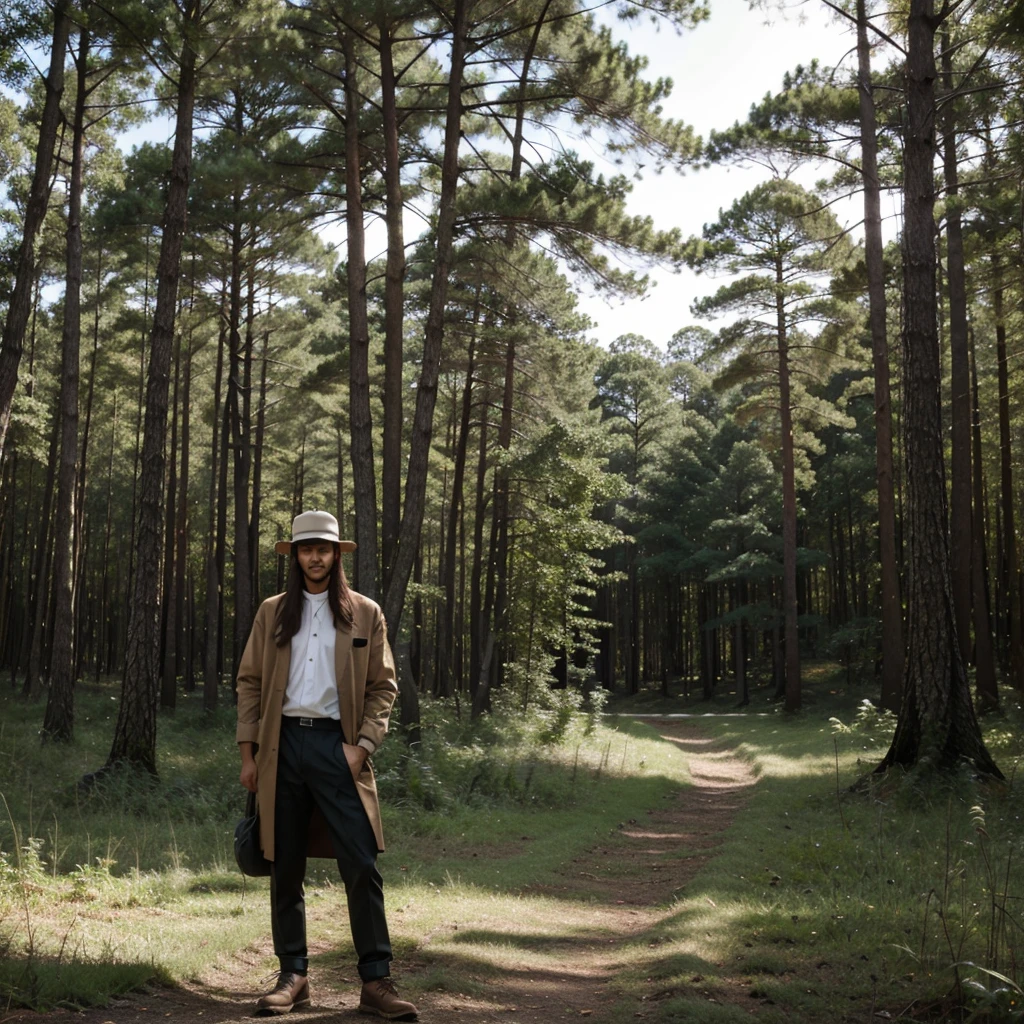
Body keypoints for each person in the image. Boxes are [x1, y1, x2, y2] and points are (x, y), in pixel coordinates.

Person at [236, 510, 417, 1020]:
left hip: (339, 750)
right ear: (293, 555)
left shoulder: (365, 612)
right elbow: (250, 682)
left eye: (324, 548)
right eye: (306, 548)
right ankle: (293, 976)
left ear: (338, 554)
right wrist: (248, 755)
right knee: (284, 865)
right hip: (281, 748)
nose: (315, 557)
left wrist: (361, 747)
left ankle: (376, 982)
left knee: (361, 862)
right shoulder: (273, 612)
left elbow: (384, 687)